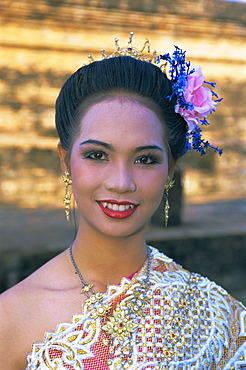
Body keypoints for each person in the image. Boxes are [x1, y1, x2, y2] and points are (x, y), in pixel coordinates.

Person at [0, 33, 245, 370]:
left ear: (171, 169)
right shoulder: (10, 320)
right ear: (64, 160)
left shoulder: (221, 317)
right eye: (97, 155)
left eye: (145, 159)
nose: (121, 183)